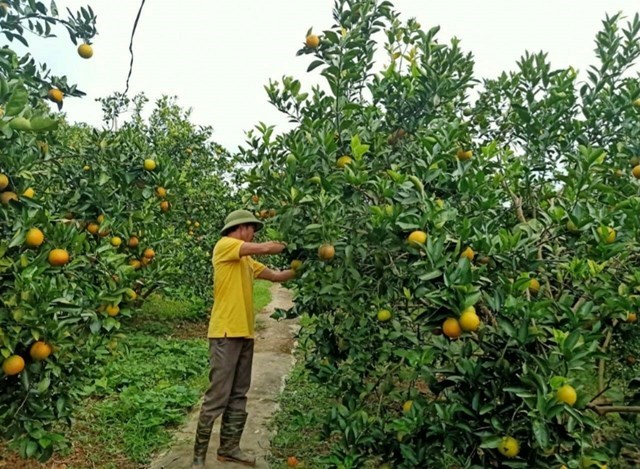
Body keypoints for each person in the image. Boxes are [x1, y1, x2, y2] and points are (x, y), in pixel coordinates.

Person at [192, 209, 295, 468]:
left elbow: (276, 276)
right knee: (218, 395)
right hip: (225, 334)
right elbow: (266, 248)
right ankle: (197, 458)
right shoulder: (225, 245)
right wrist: (293, 245)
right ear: (242, 228)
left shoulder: (246, 261)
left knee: (239, 393)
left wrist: (303, 268)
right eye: (253, 229)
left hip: (245, 333)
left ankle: (229, 449)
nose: (254, 233)